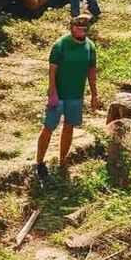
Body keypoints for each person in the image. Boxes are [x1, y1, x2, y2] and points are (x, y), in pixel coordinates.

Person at [35, 14, 102, 179]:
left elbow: (91, 72)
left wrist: (94, 94)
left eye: (83, 28)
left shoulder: (90, 47)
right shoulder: (61, 45)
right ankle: (39, 163)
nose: (80, 31)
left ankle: (62, 160)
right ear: (71, 27)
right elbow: (52, 70)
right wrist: (52, 91)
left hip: (76, 95)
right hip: (59, 95)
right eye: (77, 28)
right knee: (49, 127)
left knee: (69, 126)